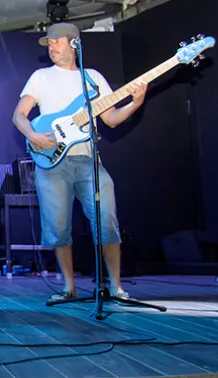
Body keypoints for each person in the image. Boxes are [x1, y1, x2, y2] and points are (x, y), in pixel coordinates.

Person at [12, 22, 147, 303]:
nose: (51, 46)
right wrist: (33, 135)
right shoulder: (40, 77)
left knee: (107, 221)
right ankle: (68, 287)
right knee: (58, 228)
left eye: (56, 41)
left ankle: (116, 287)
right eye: (49, 43)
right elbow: (19, 115)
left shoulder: (92, 78)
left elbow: (110, 119)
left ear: (74, 44)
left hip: (88, 161)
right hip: (51, 164)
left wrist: (134, 103)